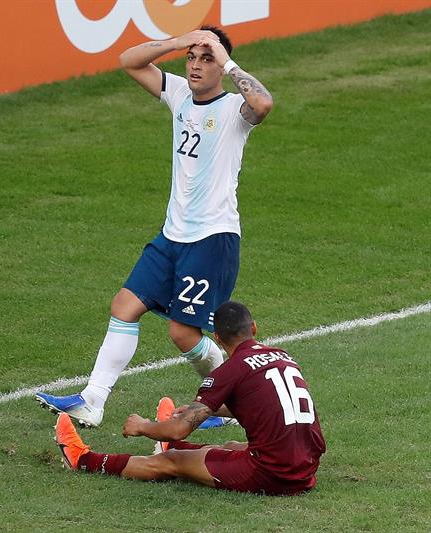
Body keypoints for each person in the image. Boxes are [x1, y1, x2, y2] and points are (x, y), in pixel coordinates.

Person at [35, 26, 273, 428]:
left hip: (212, 238)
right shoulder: (179, 93)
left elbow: (263, 103)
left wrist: (227, 59)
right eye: (192, 59)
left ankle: (233, 406)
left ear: (221, 66)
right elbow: (129, 60)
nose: (196, 66)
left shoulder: (235, 109)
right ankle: (92, 401)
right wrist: (180, 41)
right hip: (172, 235)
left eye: (206, 59)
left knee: (183, 333)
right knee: (124, 307)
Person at [53, 301, 326, 496]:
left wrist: (142, 426)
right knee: (230, 445)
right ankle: (175, 447)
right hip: (305, 466)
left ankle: (82, 459)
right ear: (253, 327)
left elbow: (178, 427)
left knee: (173, 462)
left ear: (217, 338)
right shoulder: (282, 356)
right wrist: (211, 410)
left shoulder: (230, 370)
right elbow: (265, 404)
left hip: (274, 475)